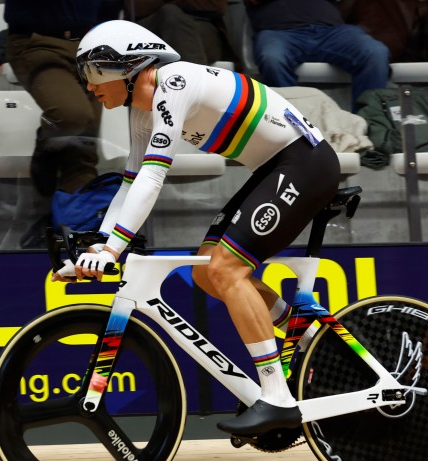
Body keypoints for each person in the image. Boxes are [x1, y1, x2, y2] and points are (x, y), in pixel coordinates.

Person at [57, 20, 343, 436]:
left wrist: (111, 251)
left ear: (132, 65)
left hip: (305, 163)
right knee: (207, 272)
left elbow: (154, 179)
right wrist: (100, 245)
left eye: (96, 71)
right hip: (276, 166)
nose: (89, 85)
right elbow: (130, 182)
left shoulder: (173, 82)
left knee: (226, 270)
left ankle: (278, 398)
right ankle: (309, 339)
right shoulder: (142, 109)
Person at [3, 0, 121, 248]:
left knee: (84, 147)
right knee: (72, 117)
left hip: (91, 42)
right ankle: (44, 214)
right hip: (37, 41)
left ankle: (72, 228)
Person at [243, 0, 390, 112]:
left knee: (375, 52)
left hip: (331, 31)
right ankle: (294, 131)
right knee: (272, 58)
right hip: (280, 32)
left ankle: (369, 125)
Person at [125, 0, 243, 69]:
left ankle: (192, 92)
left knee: (172, 16)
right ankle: (195, 95)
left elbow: (216, 5)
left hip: (202, 30)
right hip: (152, 29)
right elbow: (136, 7)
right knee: (170, 14)